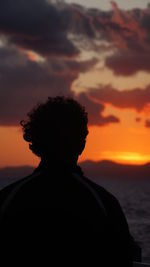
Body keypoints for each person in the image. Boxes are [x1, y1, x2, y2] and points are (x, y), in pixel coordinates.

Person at [0, 96, 141, 266]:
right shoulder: (104, 203)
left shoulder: (7, 199)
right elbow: (125, 257)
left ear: (35, 143)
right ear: (82, 144)